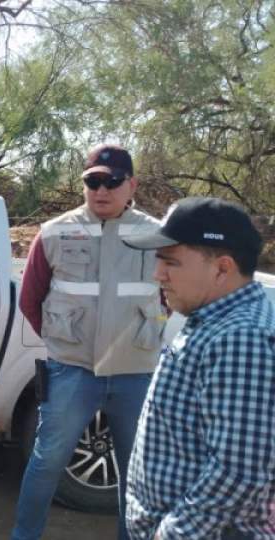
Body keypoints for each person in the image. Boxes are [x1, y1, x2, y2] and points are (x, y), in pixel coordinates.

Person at [12, 144, 165, 540]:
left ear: (131, 185)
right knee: (46, 462)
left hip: (136, 373)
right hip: (72, 371)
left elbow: (171, 295)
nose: (102, 190)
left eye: (113, 182)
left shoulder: (157, 234)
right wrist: (62, 345)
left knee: (136, 470)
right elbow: (31, 300)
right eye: (93, 181)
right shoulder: (55, 232)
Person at [123, 197, 275, 540]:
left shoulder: (241, 338)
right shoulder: (212, 320)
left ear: (222, 268)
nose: (157, 274)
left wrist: (173, 534)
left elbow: (240, 470)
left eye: (170, 263)